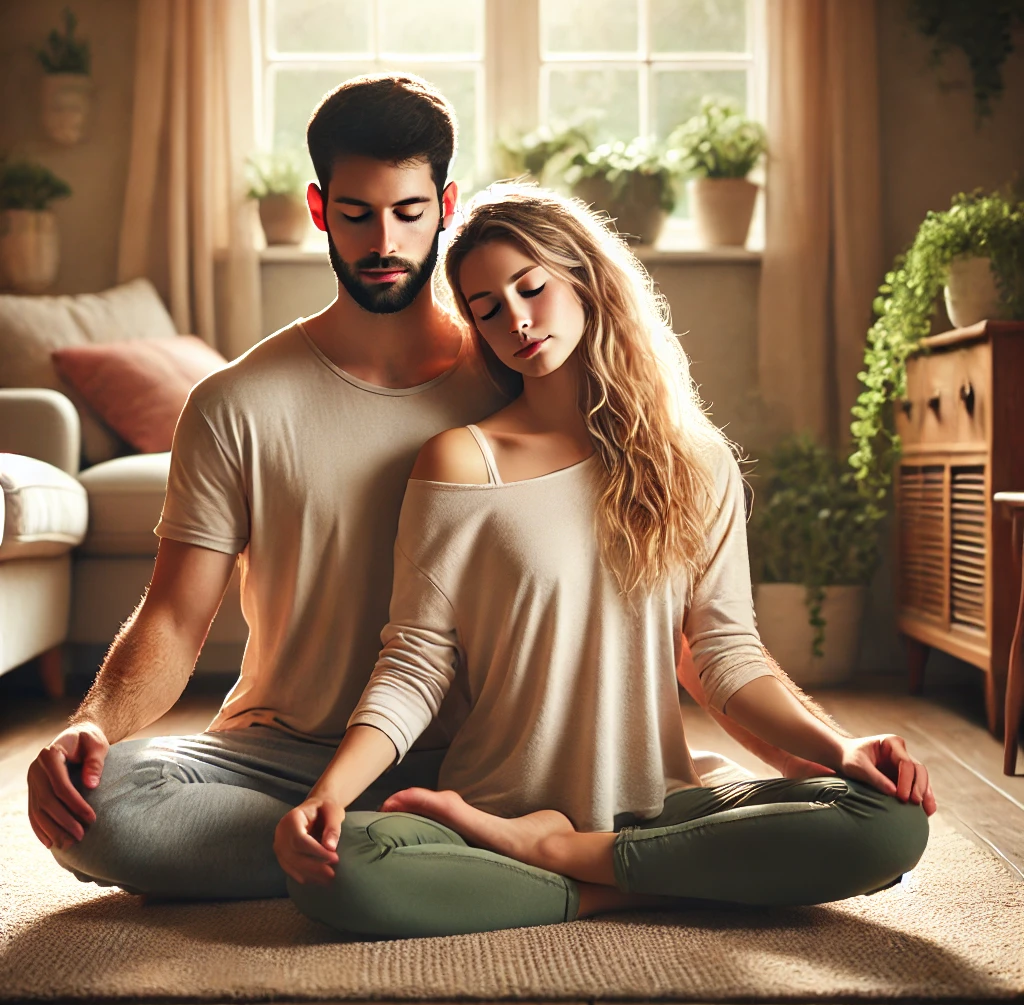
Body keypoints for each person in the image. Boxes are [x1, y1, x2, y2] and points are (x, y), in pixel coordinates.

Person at [273, 185, 935, 939]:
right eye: (487, 309)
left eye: (532, 288)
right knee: (343, 867)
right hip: (491, 811)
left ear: (585, 279)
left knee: (889, 822)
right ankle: (655, 881)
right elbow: (416, 663)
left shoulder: (697, 462)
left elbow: (726, 654)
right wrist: (328, 795)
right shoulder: (462, 462)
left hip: (662, 805)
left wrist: (842, 748)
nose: (516, 320)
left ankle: (561, 861)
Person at [25, 73, 514, 899]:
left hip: (475, 753)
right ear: (320, 210)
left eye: (408, 212)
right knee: (99, 808)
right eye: (356, 214)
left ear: (447, 206)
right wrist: (91, 723)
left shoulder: (511, 379)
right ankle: (405, 850)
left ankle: (383, 845)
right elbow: (175, 616)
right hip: (281, 754)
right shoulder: (235, 403)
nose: (384, 241)